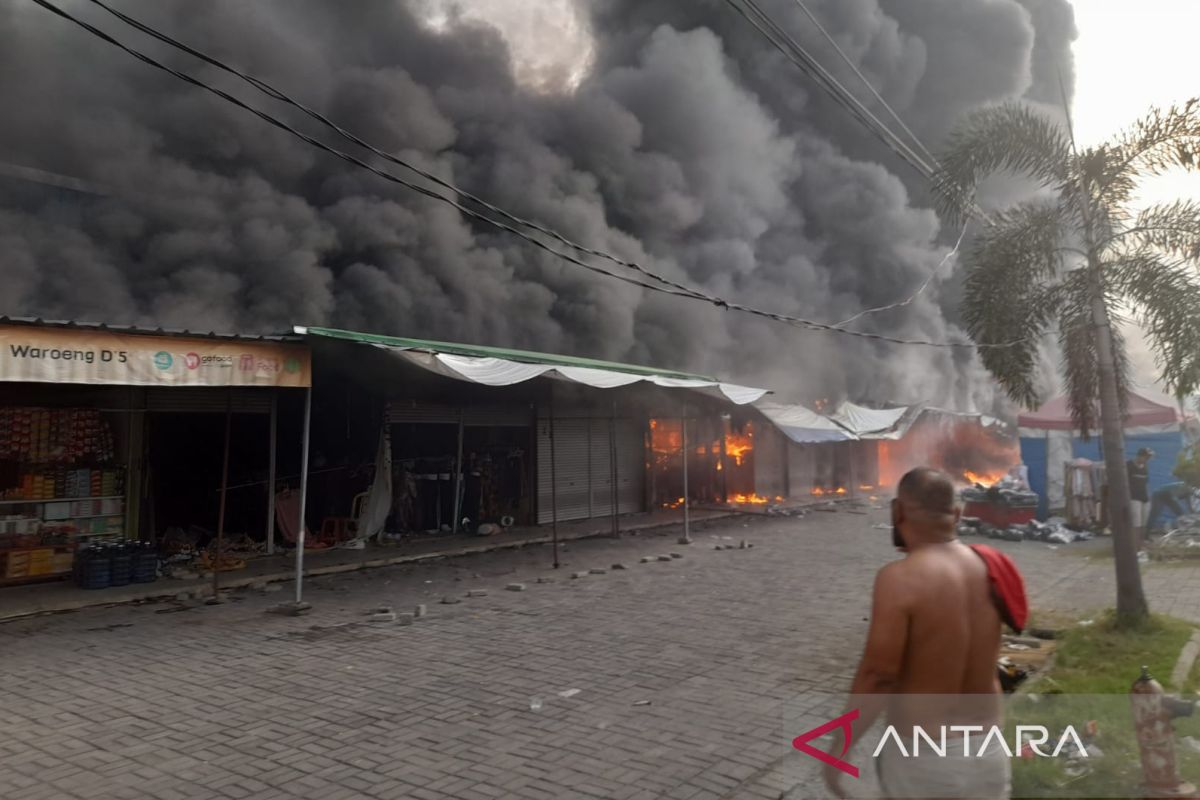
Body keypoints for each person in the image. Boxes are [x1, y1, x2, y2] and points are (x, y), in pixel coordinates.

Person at [824, 468, 1024, 800]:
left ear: (899, 512)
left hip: (926, 761)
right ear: (957, 514)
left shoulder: (900, 579)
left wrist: (839, 749)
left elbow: (878, 676)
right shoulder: (990, 568)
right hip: (989, 752)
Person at [1127, 447, 1154, 549]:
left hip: (1145, 498)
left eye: (1149, 458)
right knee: (1136, 523)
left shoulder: (1145, 466)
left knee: (1144, 523)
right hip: (1133, 497)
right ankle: (1135, 545)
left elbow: (1146, 483)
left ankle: (1141, 543)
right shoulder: (1129, 465)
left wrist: (1149, 496)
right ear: (1140, 456)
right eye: (1146, 457)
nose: (1147, 459)